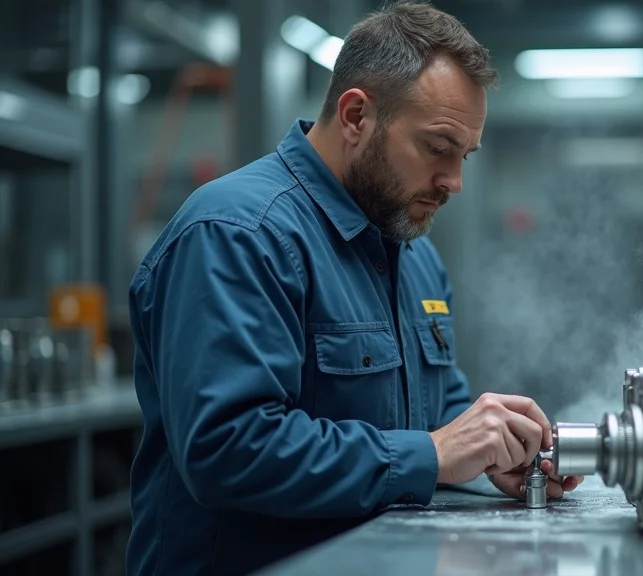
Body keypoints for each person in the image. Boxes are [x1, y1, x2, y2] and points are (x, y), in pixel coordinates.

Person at [124, 2, 583, 574]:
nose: (455, 182)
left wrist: (492, 456)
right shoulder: (237, 233)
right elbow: (227, 449)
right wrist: (434, 454)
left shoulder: (412, 254)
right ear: (356, 116)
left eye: (463, 157)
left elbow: (437, 421)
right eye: (438, 148)